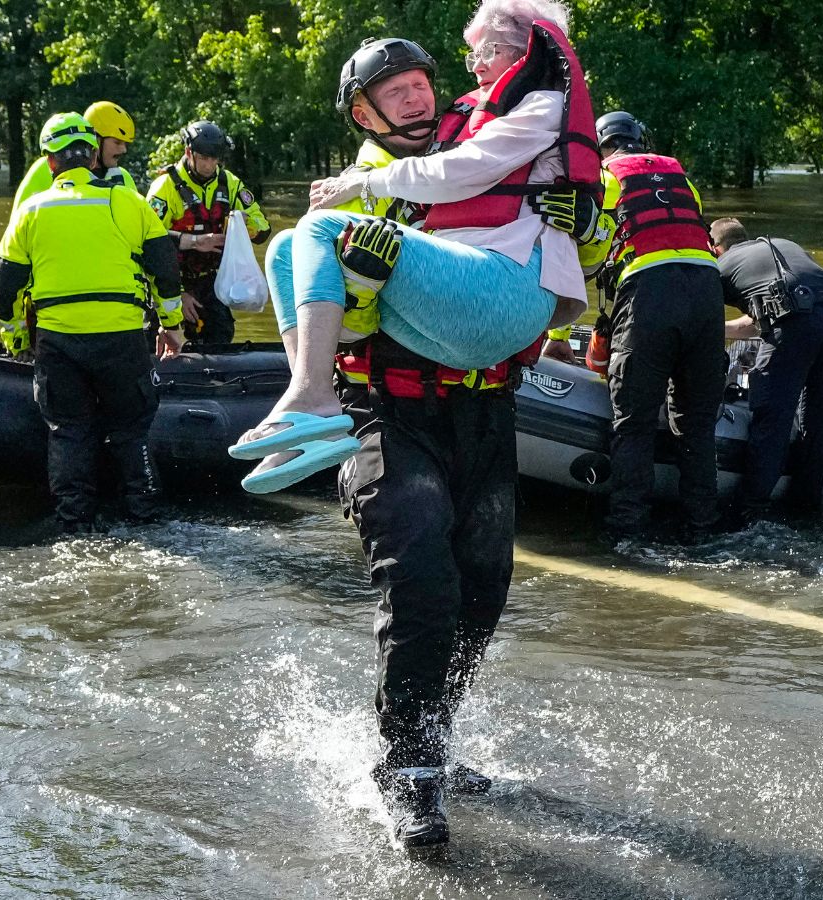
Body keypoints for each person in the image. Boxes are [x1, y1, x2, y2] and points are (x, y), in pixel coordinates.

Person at [247, 1, 596, 851]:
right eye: (390, 93)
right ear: (362, 114)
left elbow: (556, 181)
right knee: (423, 585)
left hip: (484, 406)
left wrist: (589, 211)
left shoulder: (477, 144)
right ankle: (407, 771)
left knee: (484, 590)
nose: (413, 99)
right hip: (385, 410)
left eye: (419, 85)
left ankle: (434, 738)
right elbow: (326, 290)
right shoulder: (354, 186)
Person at [0, 113, 183, 533]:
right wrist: (171, 324)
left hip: (59, 342)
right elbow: (166, 271)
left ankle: (73, 523)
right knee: (132, 432)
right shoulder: (128, 202)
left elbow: (4, 291)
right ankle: (146, 517)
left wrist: (17, 335)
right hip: (122, 338)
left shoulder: (31, 211)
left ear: (49, 161)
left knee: (68, 431)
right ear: (94, 154)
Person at [588, 110, 723, 545]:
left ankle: (628, 534)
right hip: (706, 292)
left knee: (634, 422)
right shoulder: (682, 178)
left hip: (650, 294)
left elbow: (580, 258)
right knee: (698, 425)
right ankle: (702, 529)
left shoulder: (602, 178)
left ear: (601, 146)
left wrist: (554, 337)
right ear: (641, 142)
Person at [712, 217, 823, 522]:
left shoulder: (722, 265)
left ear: (715, 248)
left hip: (797, 324)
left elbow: (696, 310)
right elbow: (773, 314)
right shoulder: (782, 246)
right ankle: (806, 510)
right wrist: (722, 329)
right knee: (819, 421)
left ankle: (750, 513)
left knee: (773, 420)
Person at [145, 121, 272, 350]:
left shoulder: (229, 183)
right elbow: (148, 240)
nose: (209, 165)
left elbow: (263, 228)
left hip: (211, 281)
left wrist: (245, 224)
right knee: (151, 339)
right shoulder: (165, 187)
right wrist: (179, 295)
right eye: (204, 158)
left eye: (215, 159)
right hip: (170, 281)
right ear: (188, 153)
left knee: (221, 332)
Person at [11, 101, 139, 207]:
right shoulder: (44, 169)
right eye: (117, 143)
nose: (123, 150)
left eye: (125, 144)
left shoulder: (123, 177)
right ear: (95, 138)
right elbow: (20, 222)